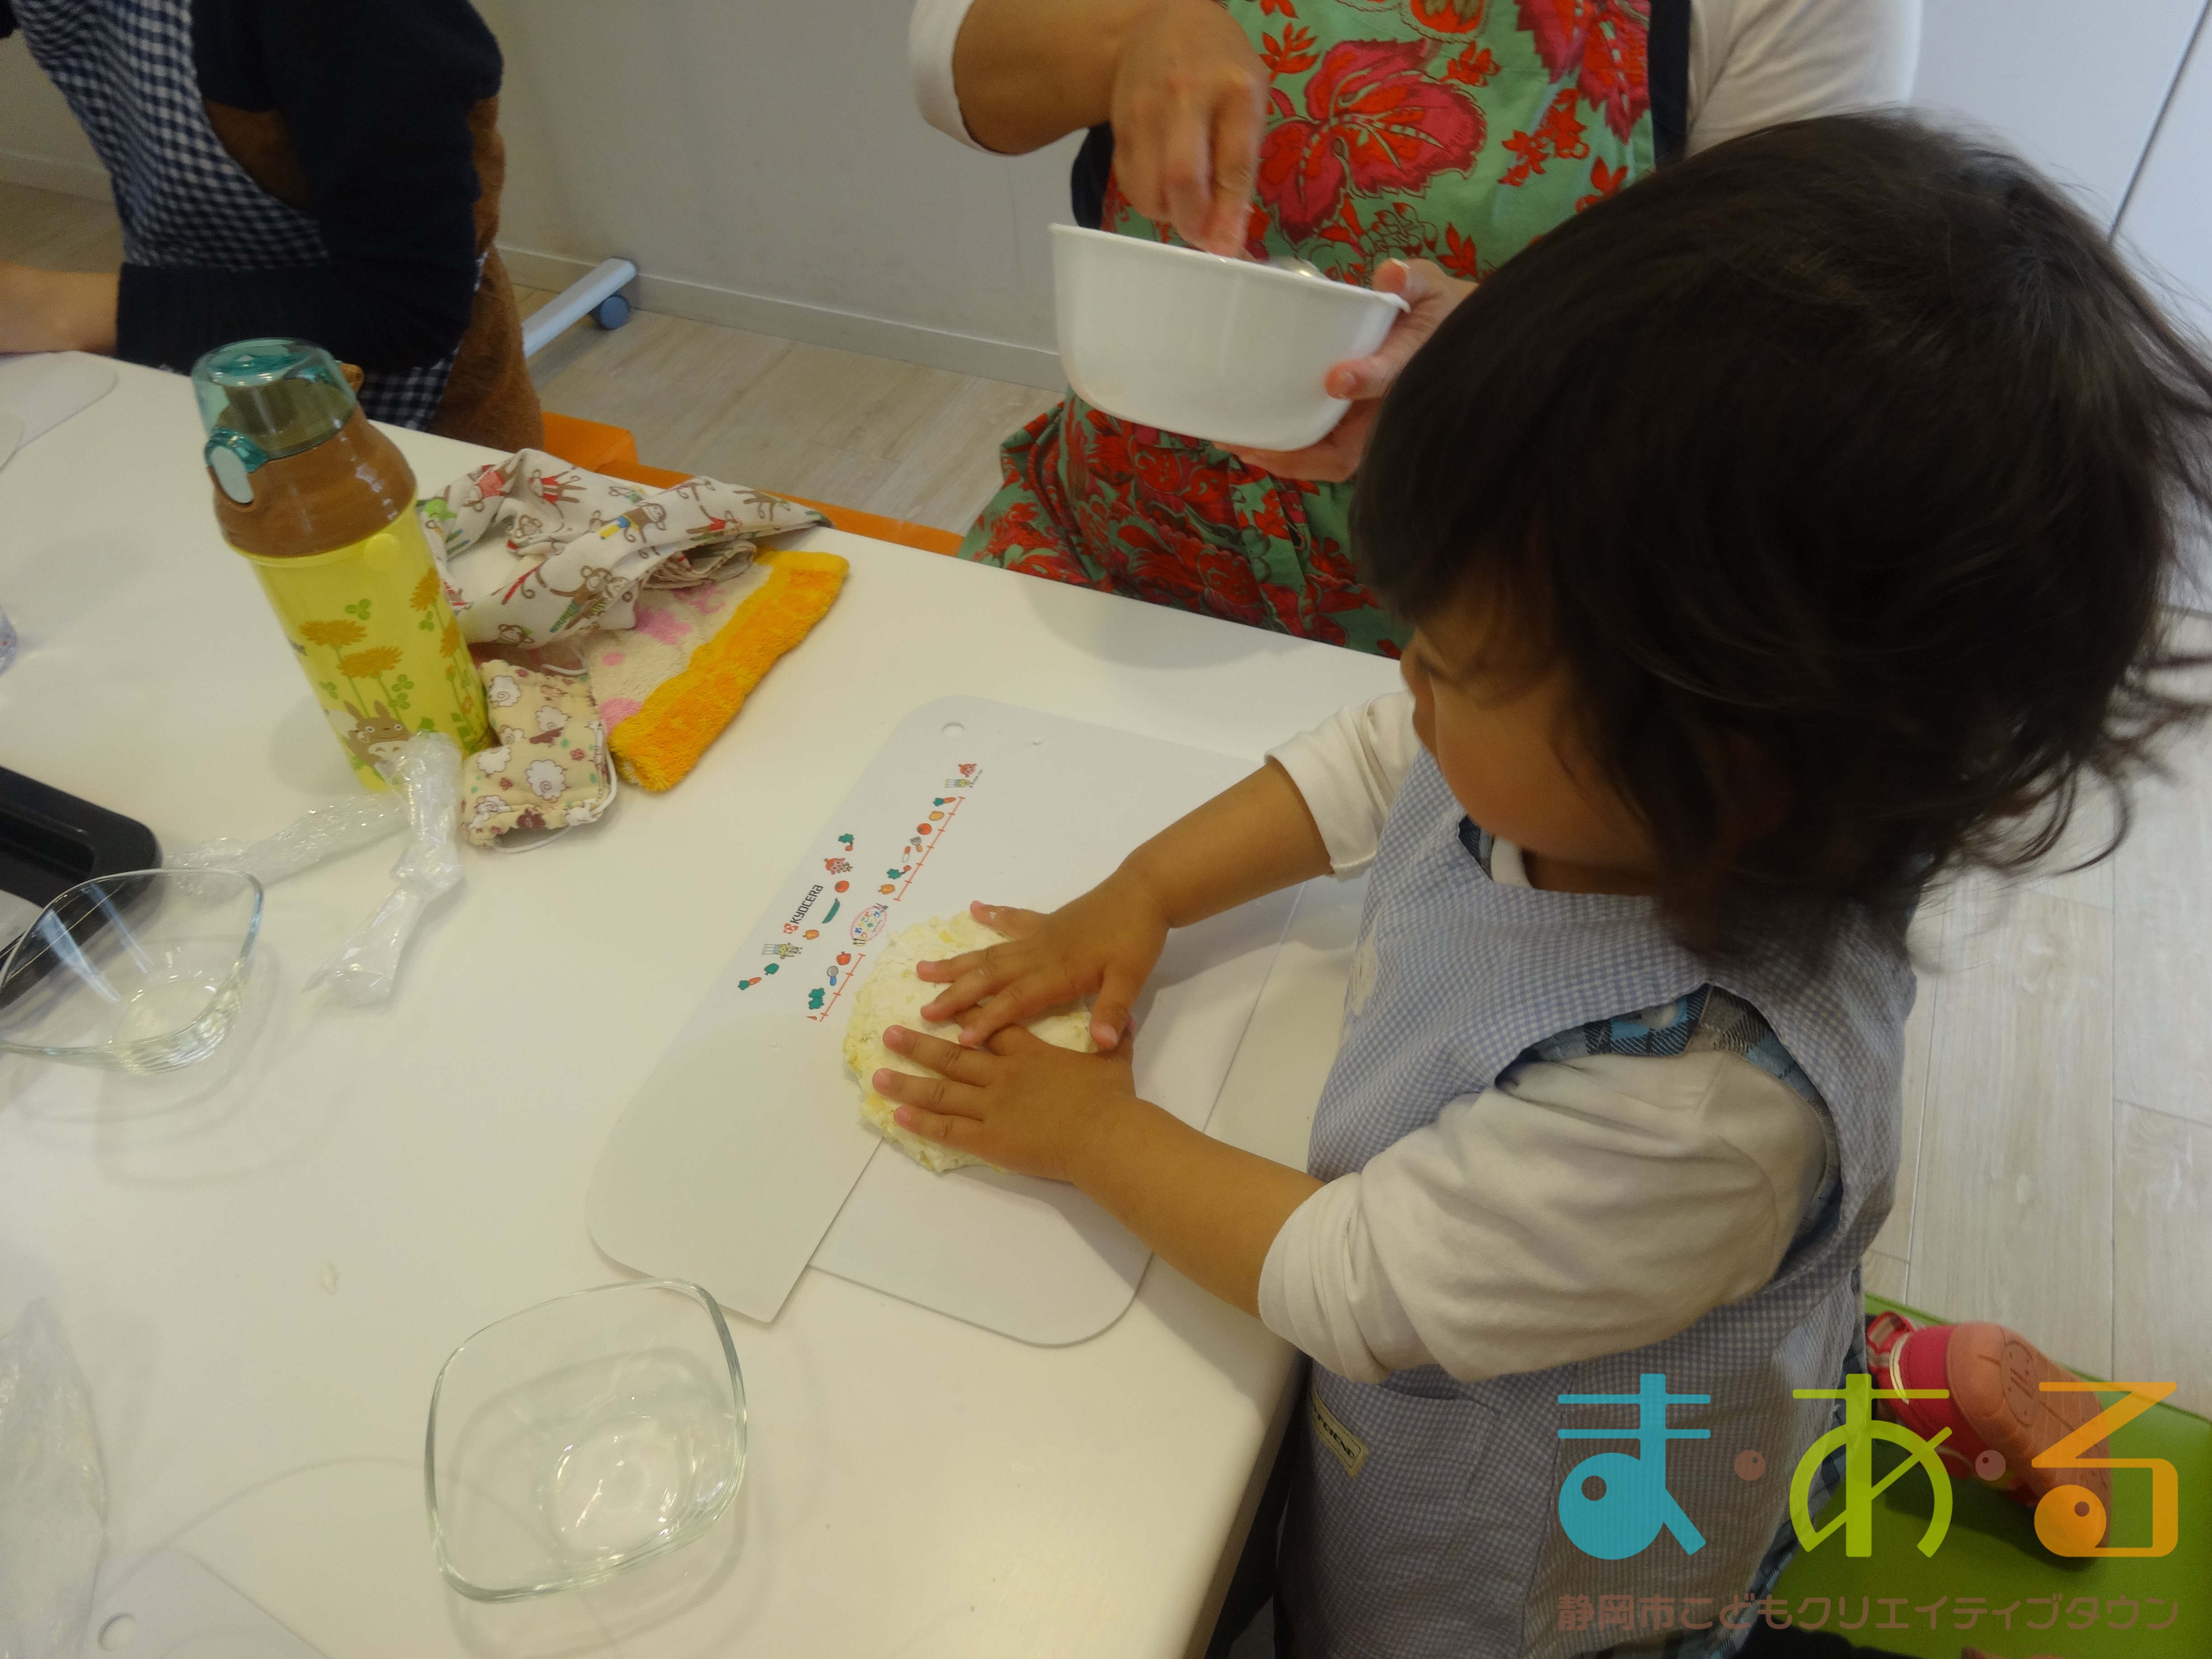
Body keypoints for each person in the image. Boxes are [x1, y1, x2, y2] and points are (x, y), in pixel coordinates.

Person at [864, 116, 2209, 1655]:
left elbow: (1358, 1283)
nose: (1405, 680)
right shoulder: (1616, 774)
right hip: (1612, 1284)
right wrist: (1146, 888)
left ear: (1716, 761)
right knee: (1719, 1299)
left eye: (1451, 663)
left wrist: (1094, 1133)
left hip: (1548, 1549)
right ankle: (1862, 1356)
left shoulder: (1695, 1106)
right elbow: (1374, 760)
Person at [913, 0, 1918, 654]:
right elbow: (951, 75)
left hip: (1492, 660)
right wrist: (1128, 33)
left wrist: (1503, 366)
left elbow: (1768, 368)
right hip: (1106, 566)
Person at [0, 0, 541, 450]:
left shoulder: (355, 18)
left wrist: (53, 307)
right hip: (195, 356)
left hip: (407, 410)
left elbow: (407, 313)